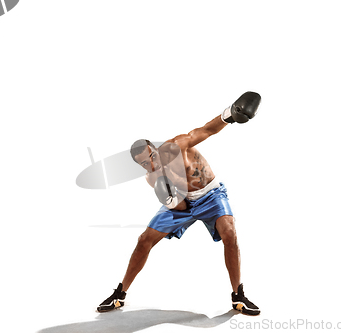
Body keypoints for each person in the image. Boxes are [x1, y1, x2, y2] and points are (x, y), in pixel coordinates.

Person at [97, 92, 262, 316]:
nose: (150, 163)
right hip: (186, 202)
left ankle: (238, 297)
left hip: (211, 195)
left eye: (151, 157)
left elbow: (206, 130)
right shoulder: (153, 178)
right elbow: (182, 208)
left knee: (230, 234)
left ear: (155, 149)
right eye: (144, 163)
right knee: (144, 240)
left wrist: (229, 114)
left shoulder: (176, 146)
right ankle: (119, 294)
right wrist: (173, 201)